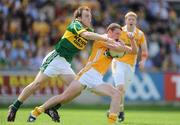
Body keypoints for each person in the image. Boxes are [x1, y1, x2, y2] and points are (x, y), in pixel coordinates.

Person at [7, 6, 118, 122]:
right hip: (56, 58)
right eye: (86, 16)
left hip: (65, 64)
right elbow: (86, 36)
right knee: (37, 84)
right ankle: (14, 107)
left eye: (90, 16)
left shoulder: (90, 31)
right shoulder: (76, 25)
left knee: (76, 90)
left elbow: (98, 40)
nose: (89, 18)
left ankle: (52, 108)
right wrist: (105, 38)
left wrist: (116, 43)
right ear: (79, 18)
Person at [27, 23, 138, 124]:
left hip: (97, 78)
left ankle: (111, 123)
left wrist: (132, 40)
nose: (119, 36)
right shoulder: (101, 39)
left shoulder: (117, 42)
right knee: (64, 97)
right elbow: (115, 47)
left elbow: (134, 51)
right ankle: (36, 112)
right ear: (109, 32)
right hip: (85, 75)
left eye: (120, 34)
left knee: (117, 94)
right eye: (117, 33)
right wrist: (123, 47)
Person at [111, 11, 148, 122]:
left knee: (122, 91)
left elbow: (144, 50)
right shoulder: (120, 32)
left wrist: (143, 61)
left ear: (136, 21)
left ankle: (121, 110)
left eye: (133, 19)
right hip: (118, 62)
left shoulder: (140, 34)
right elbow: (111, 43)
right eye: (129, 19)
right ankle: (113, 113)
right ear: (126, 20)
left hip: (131, 65)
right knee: (120, 88)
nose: (131, 21)